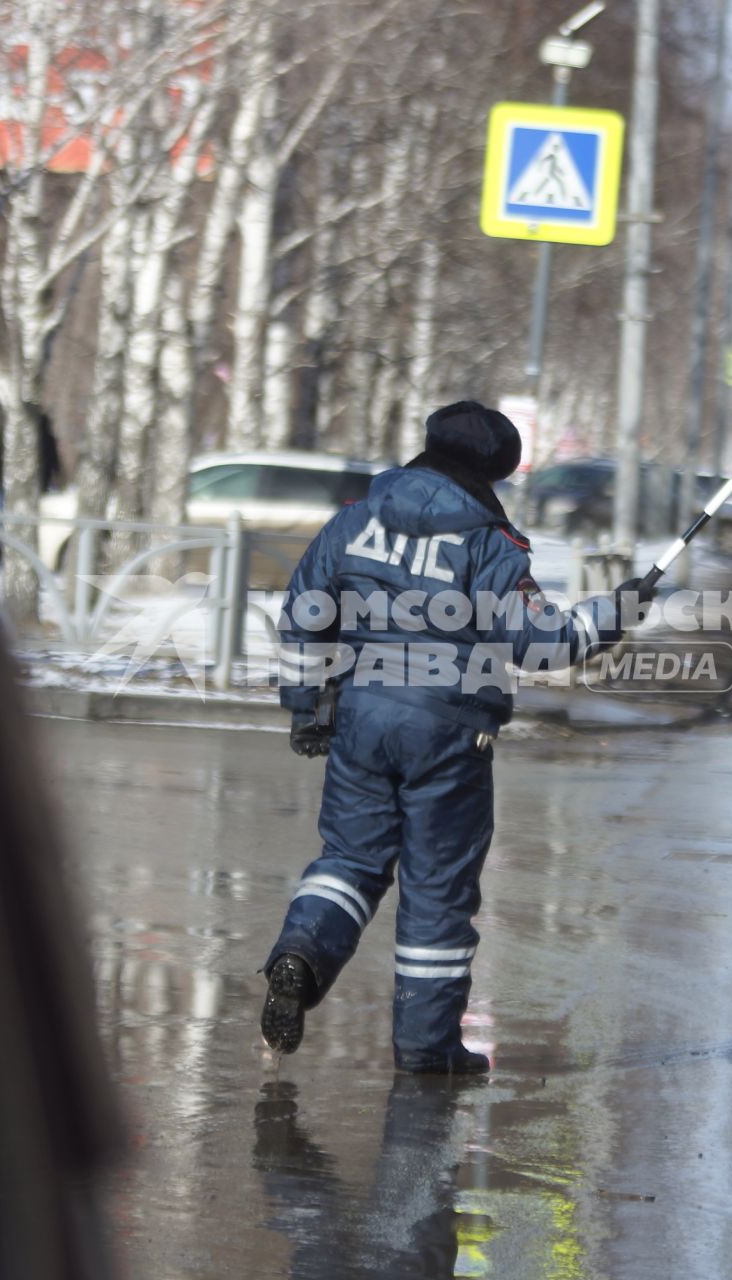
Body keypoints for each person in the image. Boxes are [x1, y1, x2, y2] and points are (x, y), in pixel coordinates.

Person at [260, 401, 650, 1074]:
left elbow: (302, 613)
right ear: (492, 473)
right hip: (449, 732)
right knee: (437, 890)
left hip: (362, 718)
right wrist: (618, 611)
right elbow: (542, 641)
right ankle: (426, 1047)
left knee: (349, 862)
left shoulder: (355, 520)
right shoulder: (490, 545)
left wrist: (306, 707)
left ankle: (301, 953)